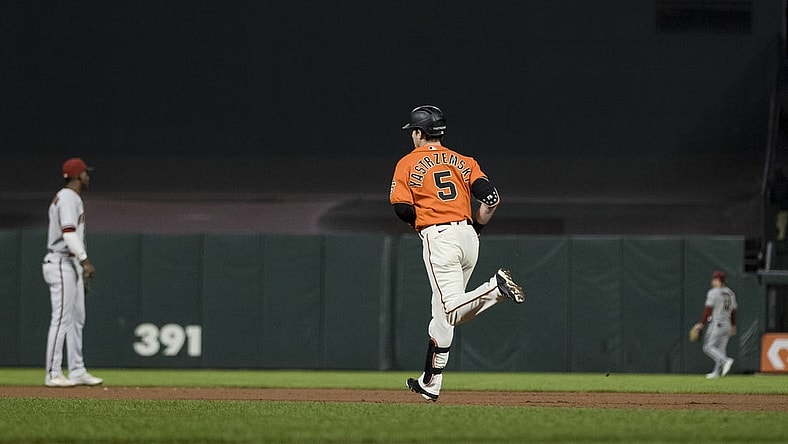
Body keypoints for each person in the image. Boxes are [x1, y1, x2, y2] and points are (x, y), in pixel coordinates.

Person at [389, 105, 526, 402]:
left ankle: (495, 288)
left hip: (439, 237)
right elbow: (491, 198)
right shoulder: (464, 161)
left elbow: (401, 207)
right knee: (441, 314)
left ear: (417, 133)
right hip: (468, 236)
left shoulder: (408, 163)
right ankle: (431, 383)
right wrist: (475, 226)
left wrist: (423, 222)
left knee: (451, 309)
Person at [42, 157, 103, 387]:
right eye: (86, 173)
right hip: (60, 261)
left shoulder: (71, 197)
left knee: (77, 319)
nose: (88, 176)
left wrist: (80, 267)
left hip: (69, 263)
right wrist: (85, 260)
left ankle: (77, 370)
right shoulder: (68, 198)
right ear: (78, 176)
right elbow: (68, 234)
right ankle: (53, 373)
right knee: (61, 319)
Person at [693, 270, 737, 379]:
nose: (712, 281)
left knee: (708, 347)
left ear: (718, 280)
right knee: (720, 349)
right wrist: (733, 325)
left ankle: (726, 360)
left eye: (714, 279)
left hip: (718, 323)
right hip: (727, 324)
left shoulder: (713, 292)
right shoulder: (730, 292)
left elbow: (708, 310)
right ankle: (717, 372)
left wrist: (701, 324)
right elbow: (733, 311)